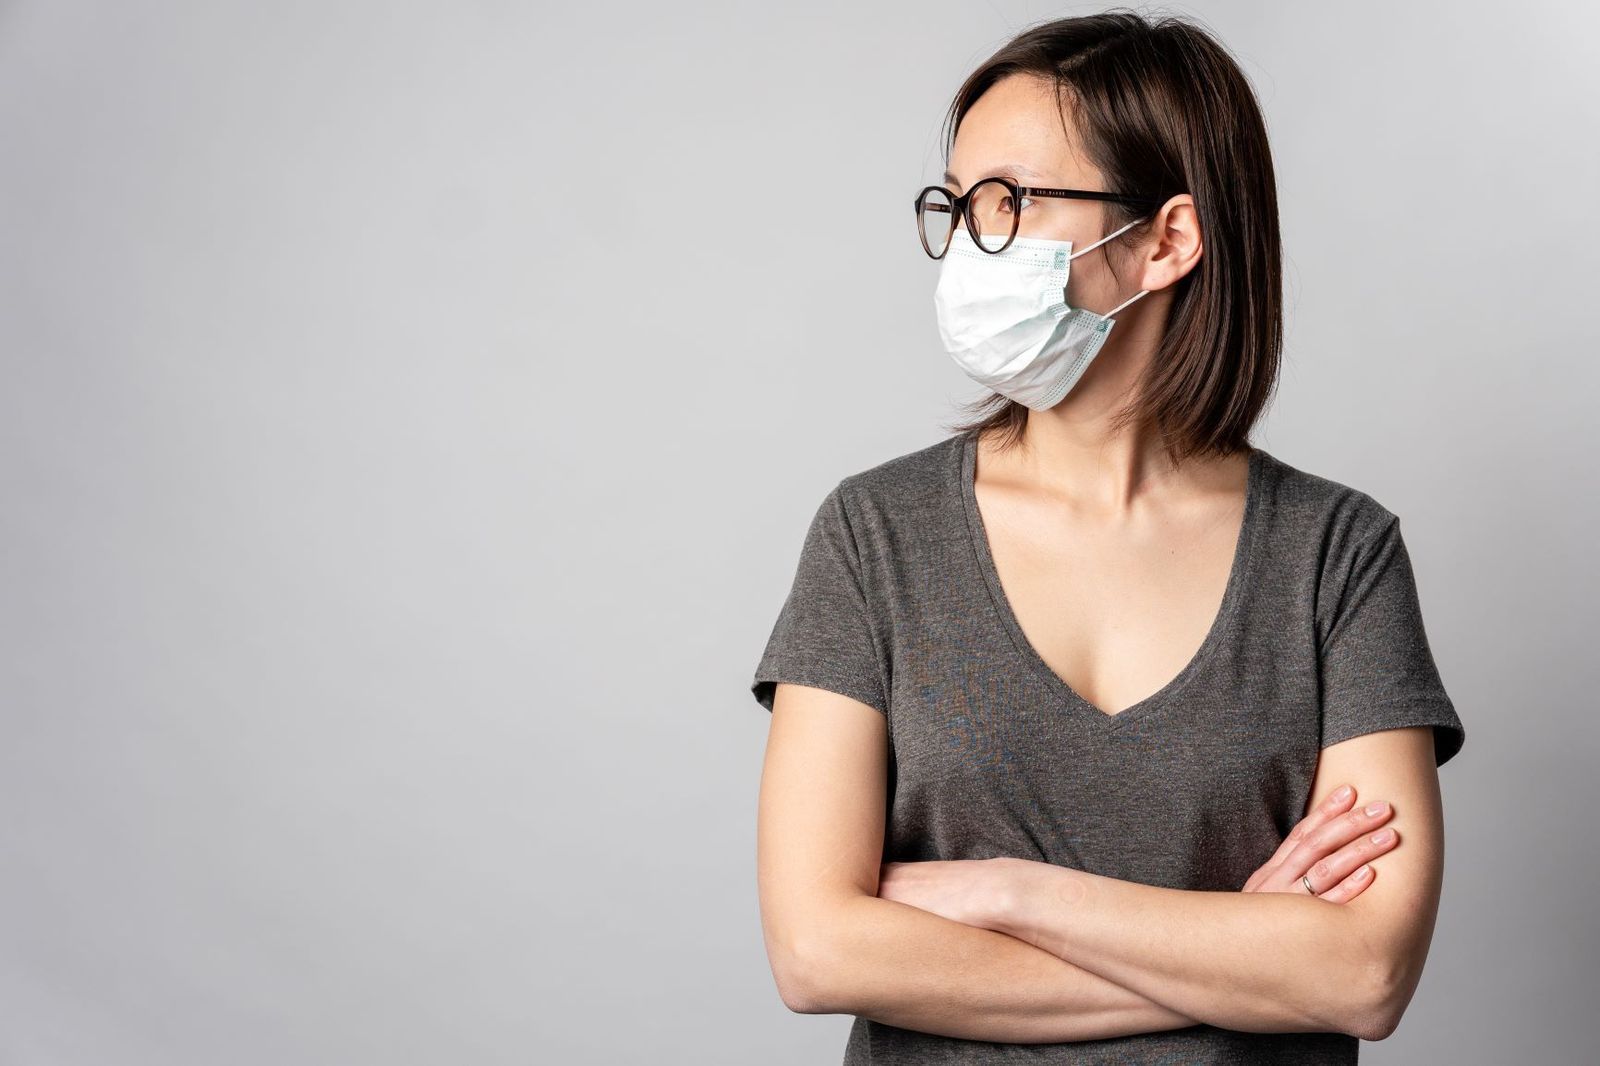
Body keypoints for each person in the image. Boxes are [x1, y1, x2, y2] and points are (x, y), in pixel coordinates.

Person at [747, 10, 1466, 1064]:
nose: (969, 243)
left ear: (1167, 239)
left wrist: (1007, 891)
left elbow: (1362, 973)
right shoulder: (874, 536)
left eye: (1011, 201)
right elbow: (816, 950)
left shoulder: (1335, 556)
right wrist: (1241, 957)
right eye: (959, 204)